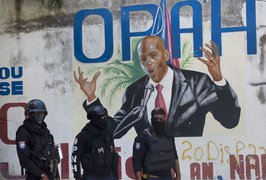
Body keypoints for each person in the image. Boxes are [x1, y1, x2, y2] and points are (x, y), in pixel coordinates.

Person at [74, 35, 241, 138]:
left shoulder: (196, 83)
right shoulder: (135, 91)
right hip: (149, 171)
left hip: (187, 164)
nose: (148, 63)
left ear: (166, 55)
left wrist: (218, 80)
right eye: (143, 58)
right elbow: (114, 131)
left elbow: (230, 120)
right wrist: (92, 99)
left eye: (153, 55)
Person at [71, 105, 121, 180]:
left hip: (108, 178)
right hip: (91, 179)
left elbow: (113, 156)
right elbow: (75, 160)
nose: (105, 120)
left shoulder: (108, 133)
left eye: (106, 117)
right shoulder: (83, 136)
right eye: (102, 118)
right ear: (94, 119)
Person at [16, 99, 62, 180]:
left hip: (49, 179)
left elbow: (52, 156)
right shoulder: (23, 132)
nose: (39, 115)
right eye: (36, 113)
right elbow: (24, 160)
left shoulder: (47, 133)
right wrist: (42, 175)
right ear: (30, 114)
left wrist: (57, 176)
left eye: (42, 113)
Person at [132, 107, 181, 180]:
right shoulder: (143, 136)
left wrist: (178, 176)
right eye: (156, 118)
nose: (159, 121)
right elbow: (136, 160)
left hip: (167, 179)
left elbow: (174, 156)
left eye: (161, 119)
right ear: (151, 119)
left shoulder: (169, 135)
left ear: (165, 119)